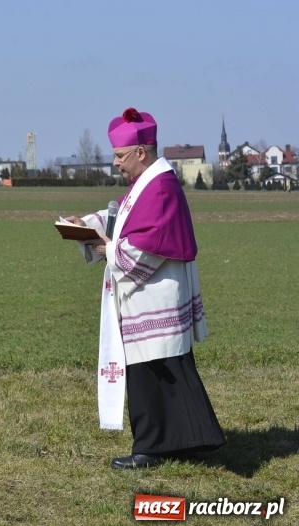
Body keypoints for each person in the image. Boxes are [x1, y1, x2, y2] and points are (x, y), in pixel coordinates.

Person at [66, 107, 225, 469]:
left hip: (155, 294)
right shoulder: (146, 183)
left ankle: (149, 449)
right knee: (165, 370)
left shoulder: (161, 185)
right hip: (148, 293)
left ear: (141, 152)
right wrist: (85, 224)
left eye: (120, 156)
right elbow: (120, 218)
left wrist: (110, 250)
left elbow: (150, 239)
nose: (116, 164)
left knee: (151, 373)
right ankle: (188, 440)